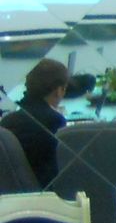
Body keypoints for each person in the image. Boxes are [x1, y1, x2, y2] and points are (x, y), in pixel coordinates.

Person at [1, 58, 69, 186]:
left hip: (11, 190)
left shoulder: (8, 120)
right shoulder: (54, 121)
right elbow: (61, 166)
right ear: (59, 90)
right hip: (43, 191)